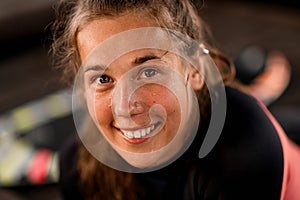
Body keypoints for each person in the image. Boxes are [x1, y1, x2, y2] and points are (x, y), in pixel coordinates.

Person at [50, 0, 300, 199]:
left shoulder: (243, 160)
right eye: (103, 79)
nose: (125, 106)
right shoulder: (78, 169)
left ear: (195, 70)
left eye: (149, 72)